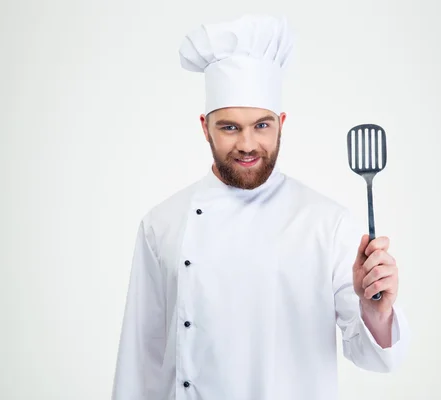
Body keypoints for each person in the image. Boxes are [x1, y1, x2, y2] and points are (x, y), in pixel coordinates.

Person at [111, 14, 410, 400]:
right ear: (205, 127)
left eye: (262, 125)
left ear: (282, 123)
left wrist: (377, 311)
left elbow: (376, 358)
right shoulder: (161, 224)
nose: (248, 144)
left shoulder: (326, 223)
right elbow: (141, 361)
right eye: (230, 127)